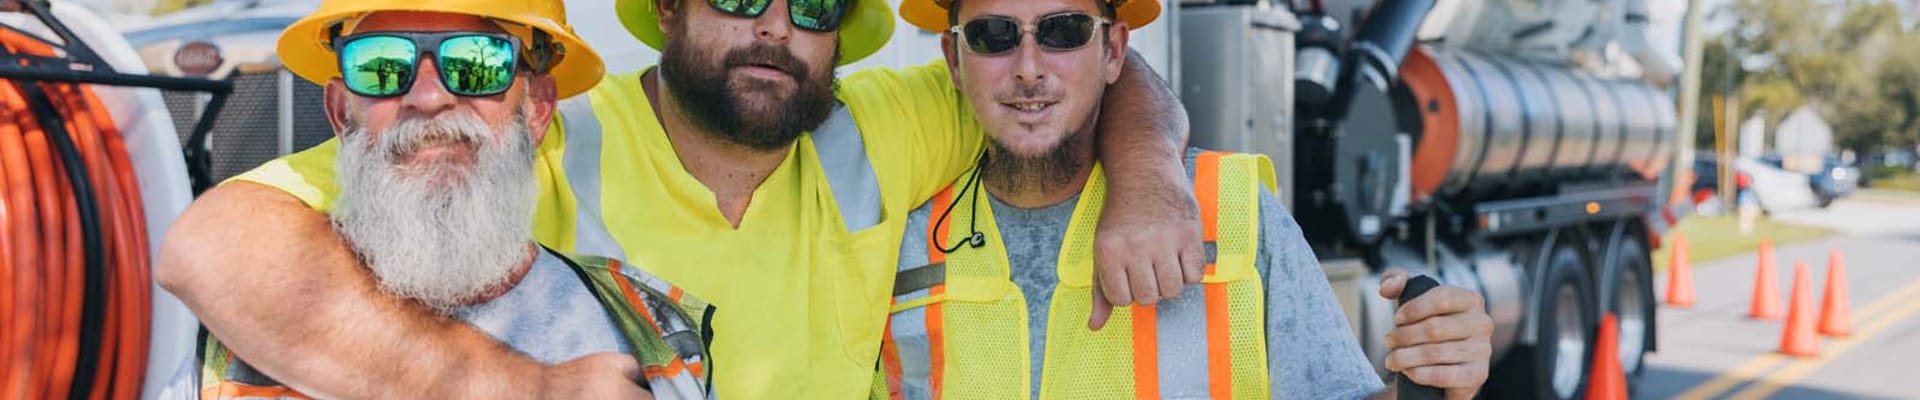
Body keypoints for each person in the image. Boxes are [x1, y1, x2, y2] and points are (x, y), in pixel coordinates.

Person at [158, 0, 1205, 397]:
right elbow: (218, 243)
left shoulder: (878, 122)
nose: (775, 28)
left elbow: (1065, 61)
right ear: (665, 10)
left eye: (814, 6)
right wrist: (506, 388)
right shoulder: (545, 135)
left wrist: (1149, 177)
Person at [872, 0, 1495, 398]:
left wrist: (1436, 374)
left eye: (1064, 31)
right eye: (993, 35)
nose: (1030, 67)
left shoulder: (1233, 217)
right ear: (954, 58)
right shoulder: (894, 241)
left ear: (1113, 51)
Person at [159, 5, 713, 400]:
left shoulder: (653, 335)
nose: (427, 97)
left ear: (538, 110)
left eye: (478, 62)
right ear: (338, 113)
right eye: (381, 65)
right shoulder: (241, 340)